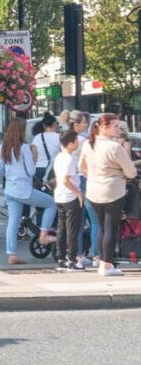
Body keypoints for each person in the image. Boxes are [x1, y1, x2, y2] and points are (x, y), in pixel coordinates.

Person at [79, 113, 138, 276]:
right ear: (105, 127)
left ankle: (100, 259)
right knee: (111, 227)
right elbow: (131, 172)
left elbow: (82, 167)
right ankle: (106, 264)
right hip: (113, 190)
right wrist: (120, 174)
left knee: (100, 226)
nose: (118, 129)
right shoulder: (114, 147)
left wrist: (93, 175)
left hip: (93, 189)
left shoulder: (88, 144)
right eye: (115, 126)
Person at [0, 117, 57, 265]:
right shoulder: (24, 148)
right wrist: (33, 158)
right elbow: (31, 171)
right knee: (51, 203)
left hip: (10, 190)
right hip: (24, 190)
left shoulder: (2, 147)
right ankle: (43, 234)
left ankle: (12, 255)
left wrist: (11, 175)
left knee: (13, 222)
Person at [53, 129, 85, 271]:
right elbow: (66, 180)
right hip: (70, 196)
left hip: (59, 196)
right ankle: (72, 260)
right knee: (72, 229)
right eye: (76, 141)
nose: (78, 143)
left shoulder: (59, 156)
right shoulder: (69, 159)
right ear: (71, 144)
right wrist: (78, 193)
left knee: (61, 228)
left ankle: (61, 259)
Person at [70, 111, 98, 266]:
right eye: (84, 123)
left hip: (73, 180)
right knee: (94, 219)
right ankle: (96, 255)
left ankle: (79, 254)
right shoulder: (82, 140)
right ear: (76, 124)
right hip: (84, 179)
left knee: (78, 220)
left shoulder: (68, 138)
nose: (86, 126)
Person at [31, 112, 60, 185]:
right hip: (53, 169)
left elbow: (34, 157)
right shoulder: (59, 137)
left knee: (40, 192)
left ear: (44, 125)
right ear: (54, 124)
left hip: (39, 168)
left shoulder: (37, 138)